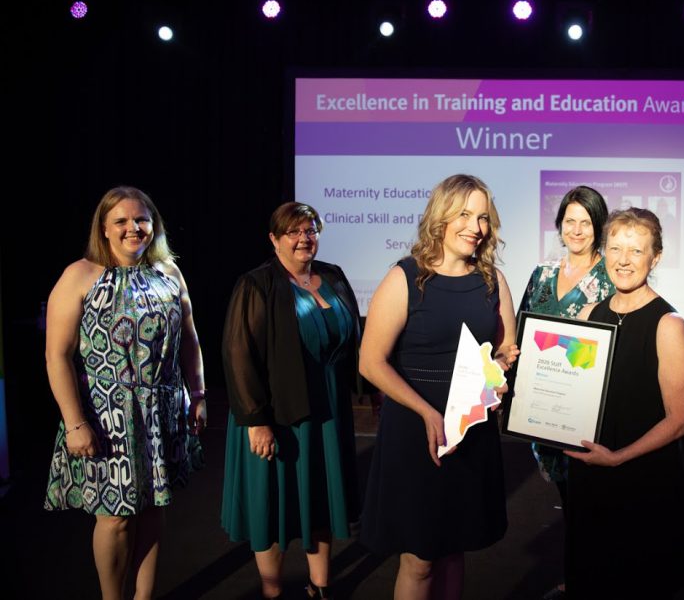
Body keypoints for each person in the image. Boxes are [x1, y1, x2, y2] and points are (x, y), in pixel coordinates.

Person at [359, 174, 518, 600]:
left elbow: (506, 347)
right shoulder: (406, 277)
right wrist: (428, 413)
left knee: (453, 549)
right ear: (440, 217)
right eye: (464, 214)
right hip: (417, 431)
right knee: (421, 557)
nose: (475, 226)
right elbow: (371, 363)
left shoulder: (492, 281)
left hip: (471, 428)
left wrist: (497, 376)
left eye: (483, 217)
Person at [43, 186, 206, 600]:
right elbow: (57, 356)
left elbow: (189, 339)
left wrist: (198, 394)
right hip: (106, 415)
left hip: (162, 409)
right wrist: (75, 422)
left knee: (153, 509)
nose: (134, 228)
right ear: (104, 227)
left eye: (142, 220)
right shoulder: (79, 275)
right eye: (122, 221)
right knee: (115, 518)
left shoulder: (168, 271)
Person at [221, 202, 361, 599]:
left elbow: (352, 339)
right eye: (294, 232)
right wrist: (255, 420)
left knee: (322, 499)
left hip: (328, 411)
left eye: (311, 230)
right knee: (274, 504)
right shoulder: (257, 283)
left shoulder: (332, 276)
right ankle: (272, 592)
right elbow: (238, 354)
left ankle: (320, 587)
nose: (304, 238)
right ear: (274, 239)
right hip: (277, 412)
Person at [565, 208, 684, 598]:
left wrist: (619, 458)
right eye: (615, 248)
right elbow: (575, 390)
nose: (623, 260)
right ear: (603, 252)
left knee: (639, 581)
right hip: (592, 472)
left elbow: (680, 420)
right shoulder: (591, 314)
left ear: (654, 258)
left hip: (645, 479)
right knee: (592, 579)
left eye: (636, 251)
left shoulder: (667, 324)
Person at [519, 185, 614, 599]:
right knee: (569, 502)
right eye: (569, 221)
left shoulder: (614, 274)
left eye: (586, 222)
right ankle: (578, 578)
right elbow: (523, 330)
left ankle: (591, 581)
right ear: (560, 225)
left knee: (596, 505)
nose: (577, 230)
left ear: (599, 227)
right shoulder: (542, 274)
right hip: (545, 410)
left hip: (594, 412)